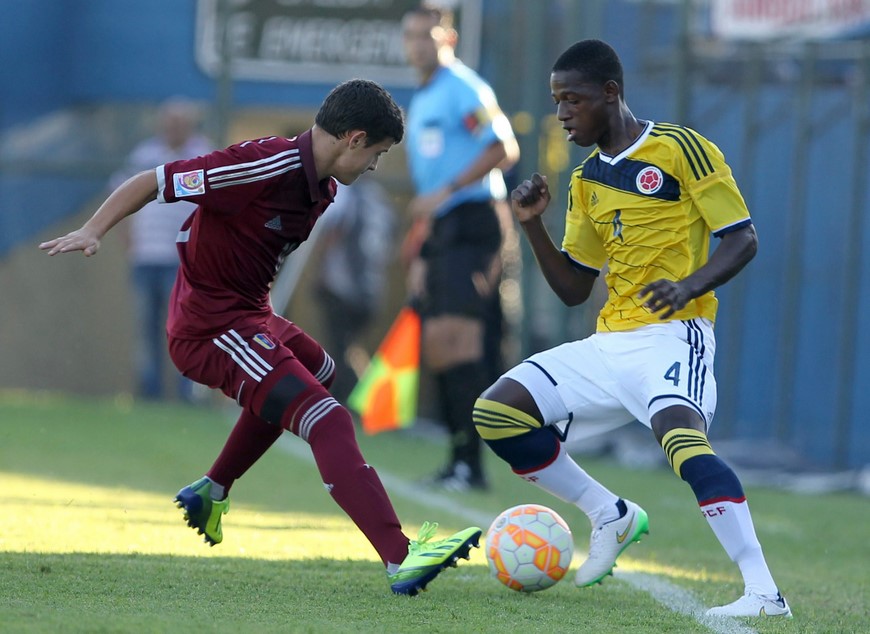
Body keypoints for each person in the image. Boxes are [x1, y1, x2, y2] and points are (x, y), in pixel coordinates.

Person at [40, 79, 481, 596]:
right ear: (355, 139)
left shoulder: (325, 187)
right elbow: (151, 181)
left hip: (249, 315)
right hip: (210, 327)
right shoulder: (260, 166)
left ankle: (212, 490)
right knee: (327, 417)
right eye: (378, 154)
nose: (376, 166)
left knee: (320, 372)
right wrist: (94, 229)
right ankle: (400, 557)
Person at [471, 40, 791, 618]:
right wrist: (531, 226)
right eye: (556, 101)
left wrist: (687, 287)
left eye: (573, 99)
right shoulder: (586, 181)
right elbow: (572, 288)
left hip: (675, 334)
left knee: (681, 441)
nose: (563, 113)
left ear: (611, 93)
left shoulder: (680, 148)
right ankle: (608, 514)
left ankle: (764, 593)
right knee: (496, 412)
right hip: (608, 342)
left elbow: (742, 238)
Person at [401, 5, 520, 492]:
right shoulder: (425, 96)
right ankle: (458, 459)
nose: (416, 45)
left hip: (474, 221)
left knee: (461, 341)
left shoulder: (463, 88)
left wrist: (447, 191)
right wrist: (423, 241)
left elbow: (503, 148)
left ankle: (473, 464)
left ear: (446, 37)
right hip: (443, 228)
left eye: (425, 36)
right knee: (437, 345)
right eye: (408, 36)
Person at [109, 97, 213, 401]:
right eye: (169, 123)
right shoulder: (144, 154)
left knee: (184, 328)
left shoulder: (203, 153)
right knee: (146, 327)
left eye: (180, 123)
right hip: (145, 258)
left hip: (182, 261)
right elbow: (119, 196)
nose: (173, 129)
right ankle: (149, 392)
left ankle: (187, 393)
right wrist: (128, 243)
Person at [311, 178, 397, 403]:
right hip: (372, 291)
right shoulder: (380, 201)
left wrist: (322, 271)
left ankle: (356, 400)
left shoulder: (346, 195)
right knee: (349, 348)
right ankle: (369, 396)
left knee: (338, 350)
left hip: (343, 287)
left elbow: (334, 232)